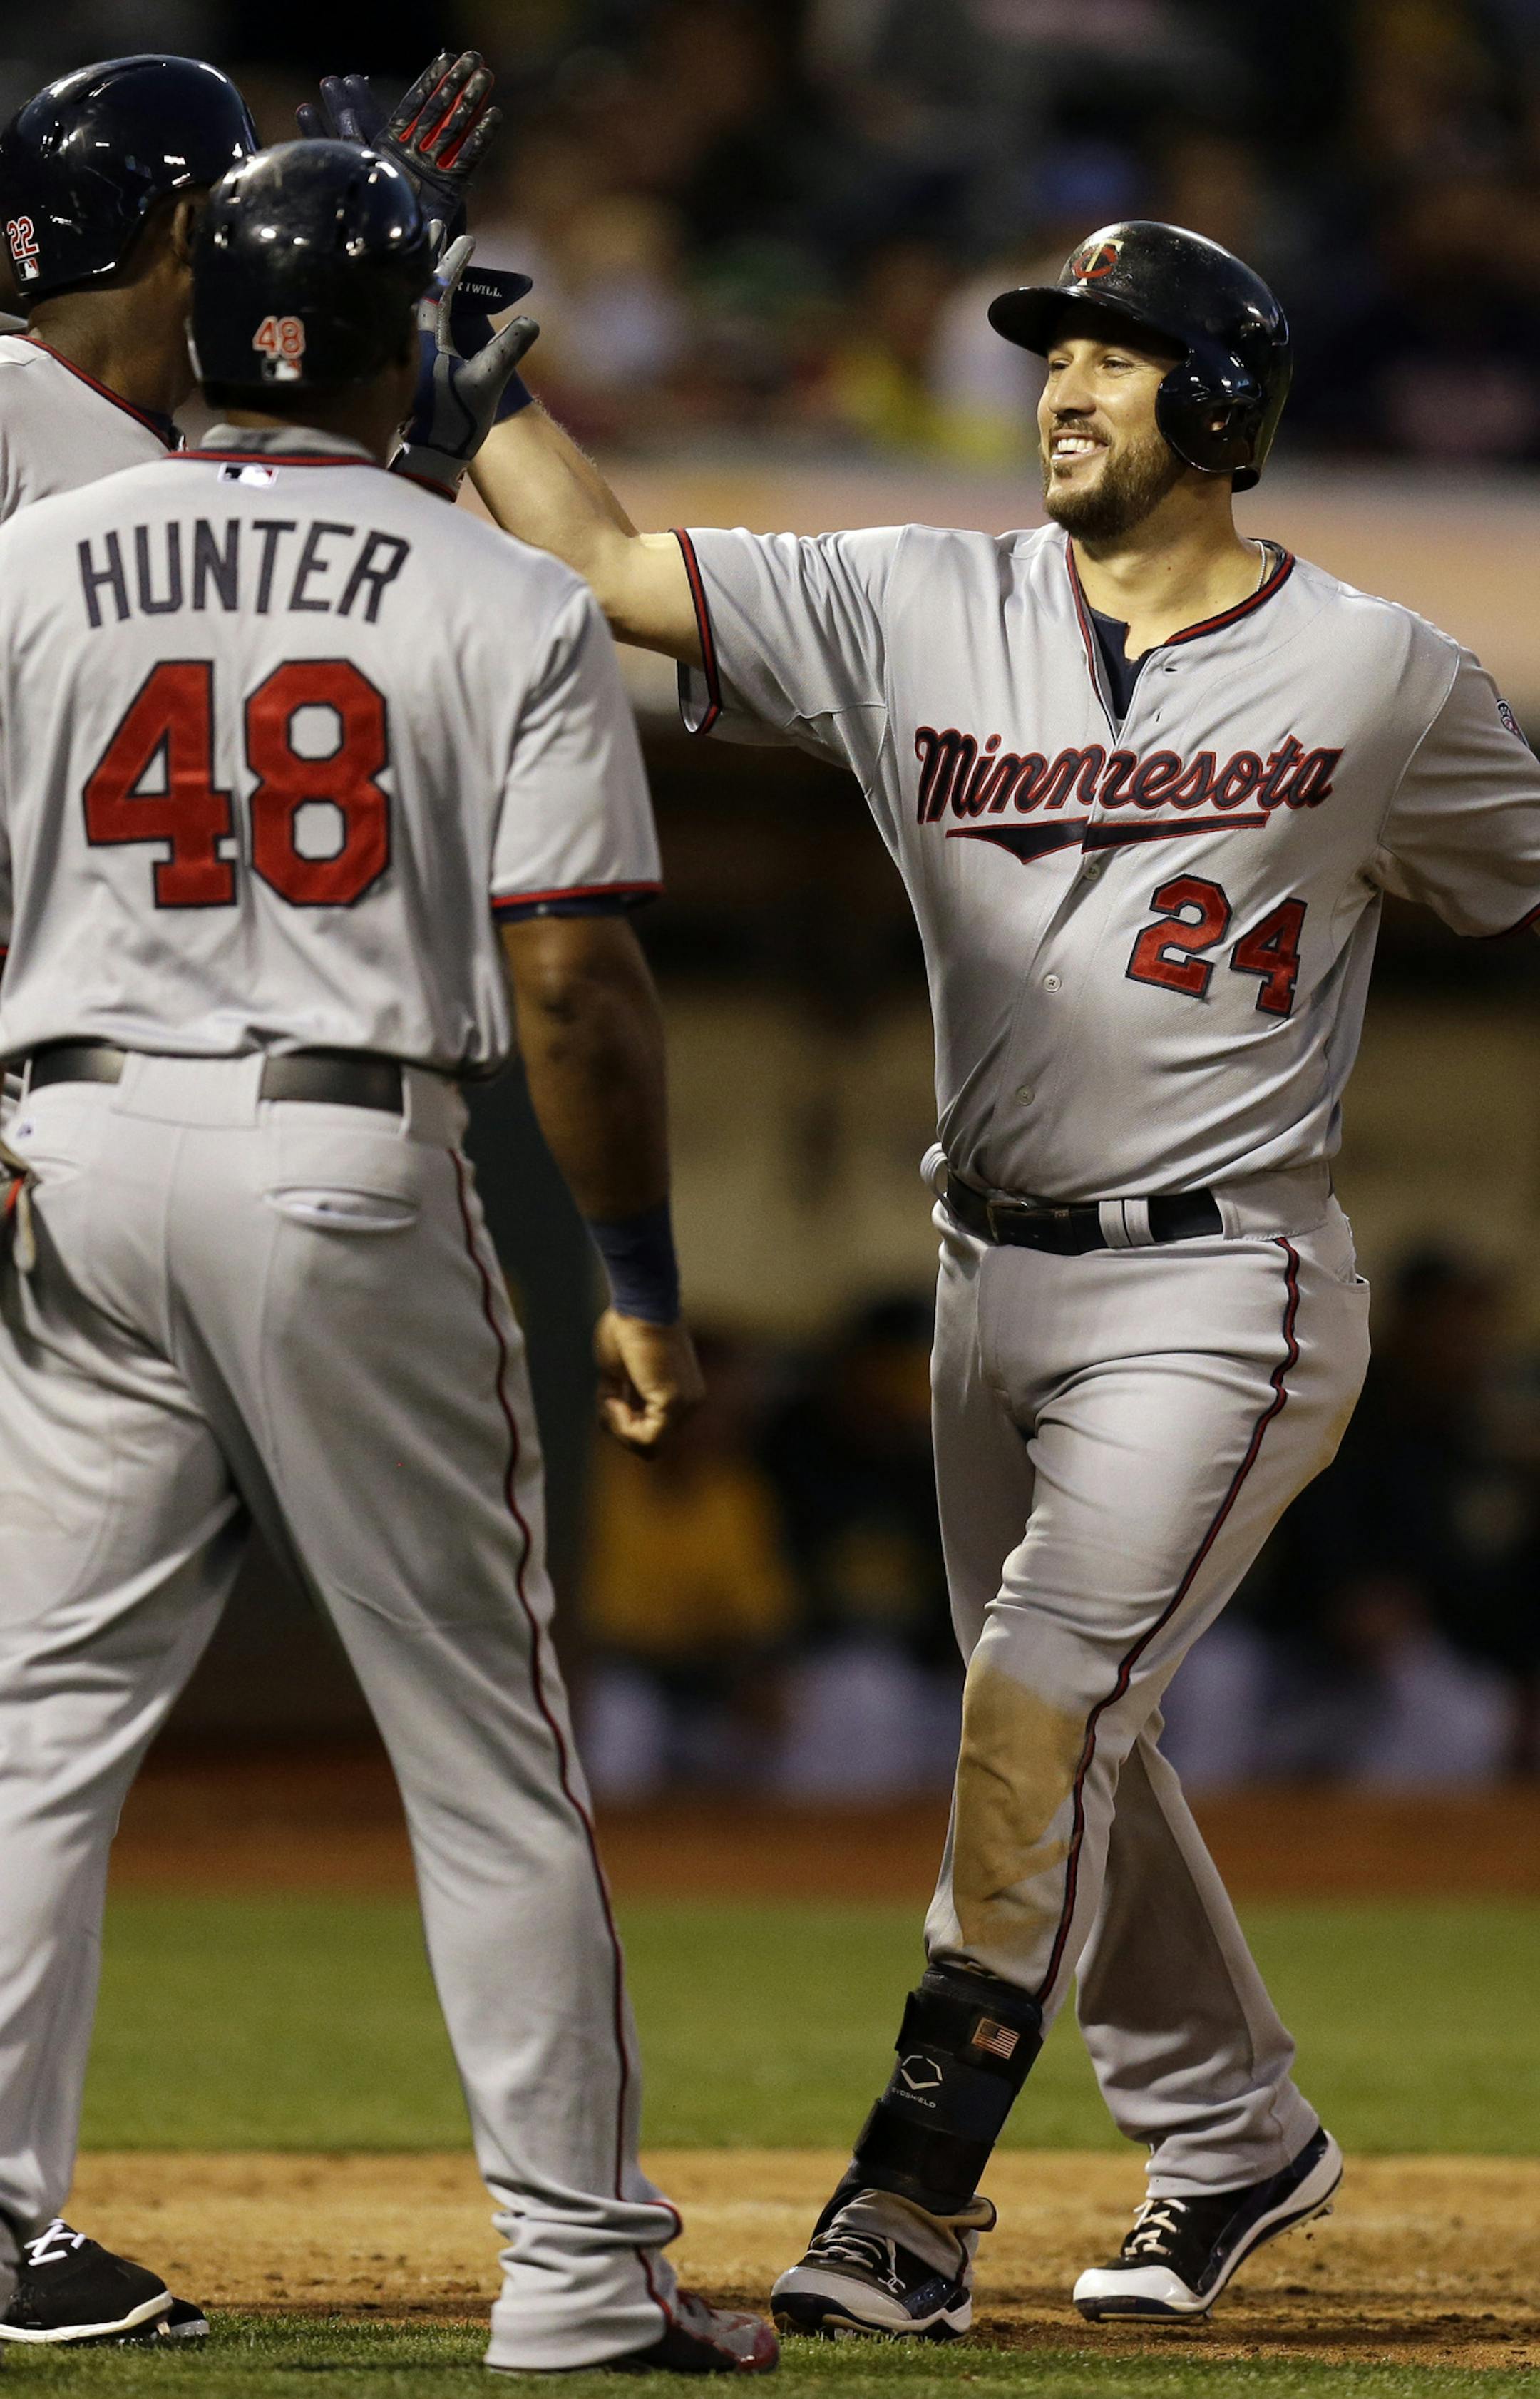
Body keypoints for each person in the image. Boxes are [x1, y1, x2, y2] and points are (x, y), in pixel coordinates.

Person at [465, 215, 1540, 2333]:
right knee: (1073, 1738)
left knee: (1036, 1701)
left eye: (1114, 355)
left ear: (1219, 407)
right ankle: (1232, 2126)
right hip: (985, 1277)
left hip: (1225, 1287)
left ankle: (916, 2196)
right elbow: (605, 566)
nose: (1061, 381)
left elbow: (1520, 870)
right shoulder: (913, 598)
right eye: (1052, 347)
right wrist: (480, 388)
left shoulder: (1383, 673)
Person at [0, 138, 775, 2377]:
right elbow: (579, 991)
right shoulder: (493, 591)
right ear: (398, 341)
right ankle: (573, 2271)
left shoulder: (42, 552)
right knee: (482, 1737)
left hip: (73, 1149)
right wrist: (629, 1268)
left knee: (37, 1715)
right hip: (340, 1156)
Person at [0, 46, 508, 2351]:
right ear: (188, 249)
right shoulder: (47, 445)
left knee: (29, 1699)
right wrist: (366, 246)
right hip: (221, 1135)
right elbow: (305, 527)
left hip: (89, 1137)